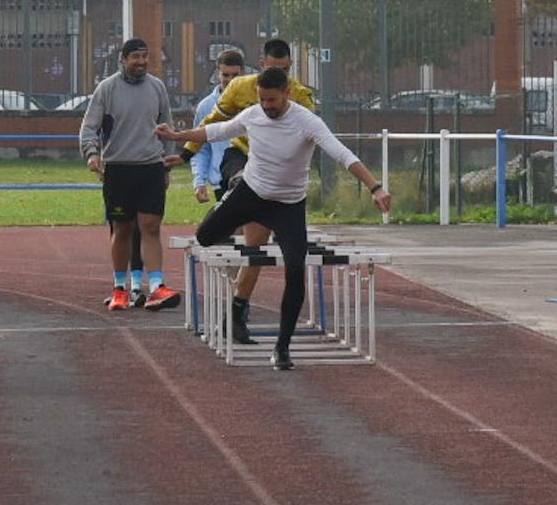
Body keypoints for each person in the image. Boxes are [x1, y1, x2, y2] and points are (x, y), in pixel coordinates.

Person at [156, 67, 391, 369]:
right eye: (263, 99)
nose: (267, 106)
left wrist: (376, 187)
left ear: (287, 95)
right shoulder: (253, 114)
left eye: (273, 100)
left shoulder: (307, 122)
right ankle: (225, 206)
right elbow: (216, 131)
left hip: (288, 206)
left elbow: (343, 154)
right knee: (204, 238)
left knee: (295, 270)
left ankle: (282, 348)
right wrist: (178, 139)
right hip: (251, 194)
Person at [166, 39, 315, 344]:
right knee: (242, 180)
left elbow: (314, 138)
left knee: (255, 246)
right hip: (240, 160)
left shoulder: (300, 95)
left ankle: (236, 313)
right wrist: (185, 154)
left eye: (284, 72)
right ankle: (229, 208)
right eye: (273, 71)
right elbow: (212, 125)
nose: (277, 80)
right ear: (262, 66)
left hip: (275, 172)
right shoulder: (239, 88)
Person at [79, 38, 181, 311]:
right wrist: (91, 154)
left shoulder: (157, 87)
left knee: (150, 226)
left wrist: (166, 165)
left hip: (150, 167)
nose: (141, 62)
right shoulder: (106, 89)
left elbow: (166, 127)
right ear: (123, 60)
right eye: (135, 57)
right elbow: (89, 128)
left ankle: (157, 286)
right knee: (122, 228)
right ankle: (119, 288)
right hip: (119, 168)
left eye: (145, 57)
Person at [191, 48, 245, 203]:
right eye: (225, 75)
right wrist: (199, 181)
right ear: (218, 74)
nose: (230, 80)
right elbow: (200, 147)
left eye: (235, 75)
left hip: (251, 177)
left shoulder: (253, 102)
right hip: (221, 180)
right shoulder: (206, 106)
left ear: (243, 73)